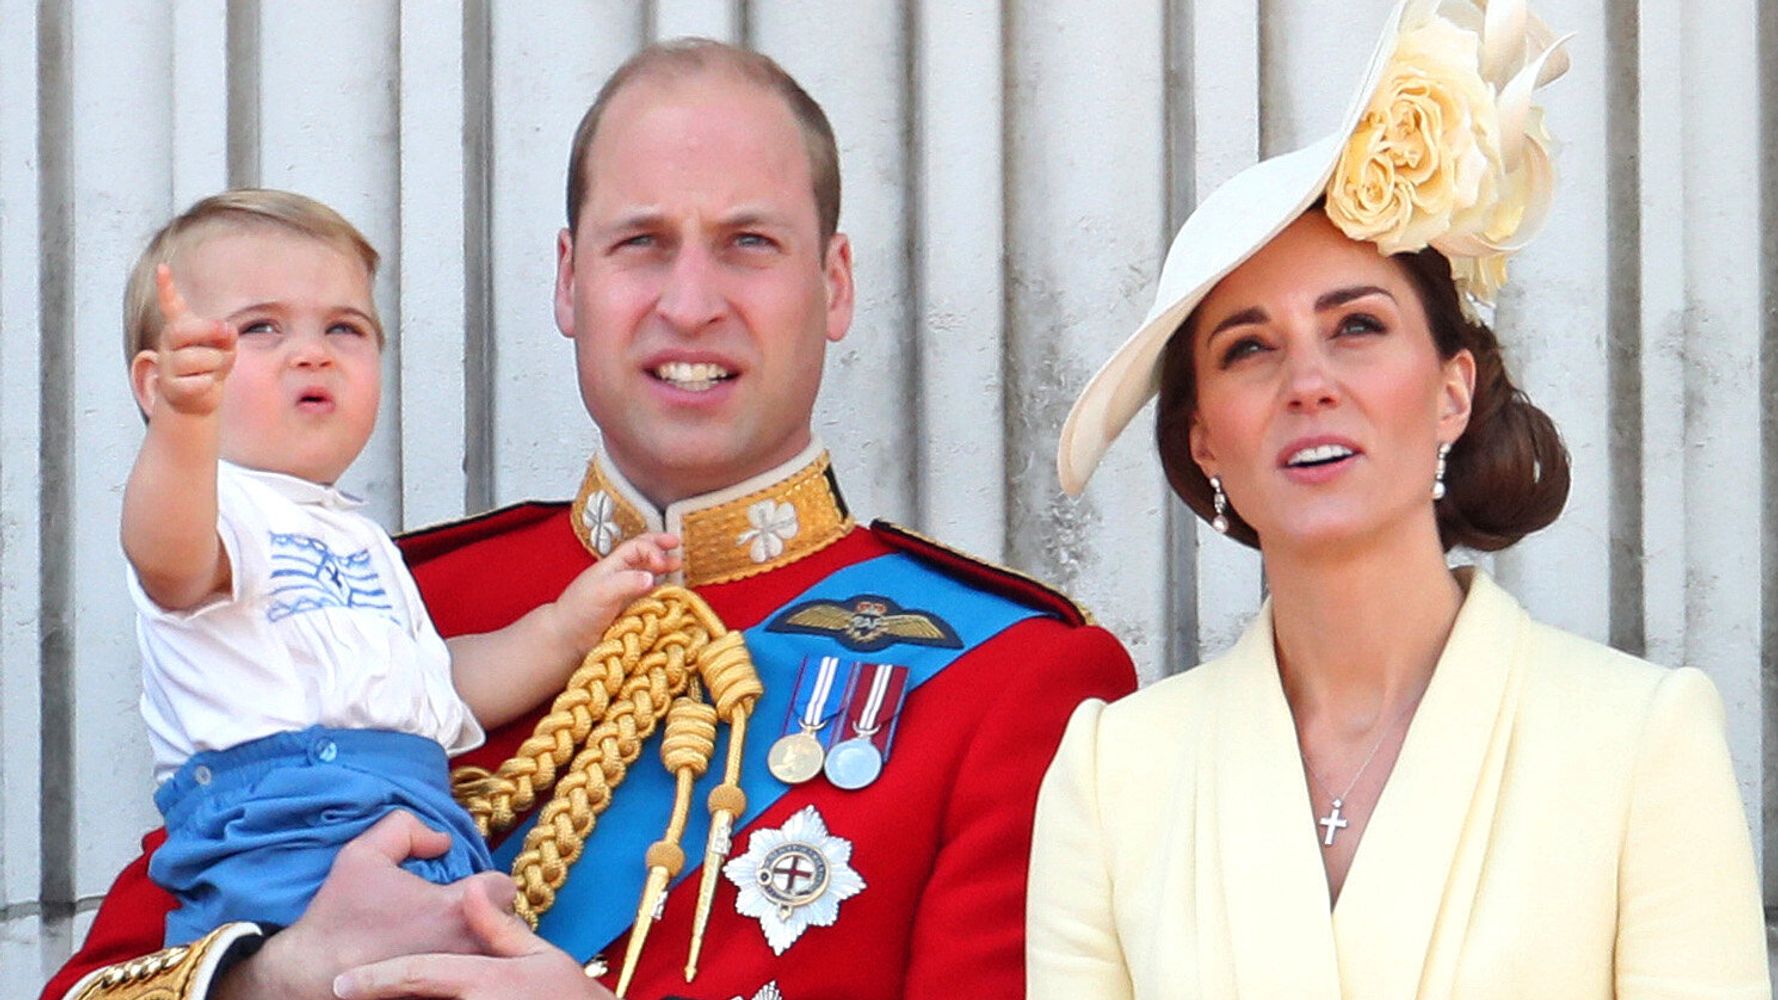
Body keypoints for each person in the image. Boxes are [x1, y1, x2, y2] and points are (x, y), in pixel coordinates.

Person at [45, 40, 1135, 1000]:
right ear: (568, 283)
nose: (690, 301)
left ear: (833, 282)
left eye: (748, 242)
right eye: (640, 243)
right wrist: (275, 979)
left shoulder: (1010, 677)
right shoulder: (384, 601)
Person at [1029, 1, 1770, 997]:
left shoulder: (1639, 740)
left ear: (1451, 392)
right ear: (1203, 434)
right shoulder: (1111, 773)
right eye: (1247, 348)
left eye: (1356, 326)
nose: (1307, 382)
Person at [116, 189, 678, 948]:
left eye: (344, 328)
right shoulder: (214, 505)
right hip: (282, 829)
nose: (311, 351)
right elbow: (165, 557)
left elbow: (435, 688)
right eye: (259, 328)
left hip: (416, 813)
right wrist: (184, 425)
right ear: (157, 384)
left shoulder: (361, 537)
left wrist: (563, 629)